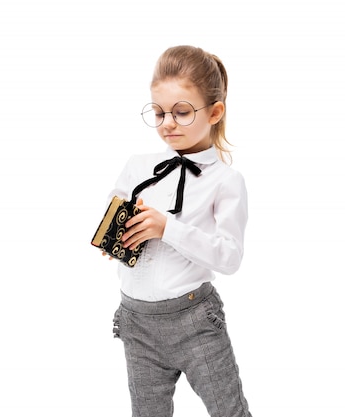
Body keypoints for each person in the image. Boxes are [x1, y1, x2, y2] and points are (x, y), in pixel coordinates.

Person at [104, 45, 252, 417]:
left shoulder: (226, 181)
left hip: (194, 321)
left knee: (229, 412)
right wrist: (113, 240)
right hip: (136, 322)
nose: (167, 123)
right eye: (158, 113)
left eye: (182, 112)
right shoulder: (137, 167)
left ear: (214, 112)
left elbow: (230, 258)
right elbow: (113, 220)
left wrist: (168, 227)